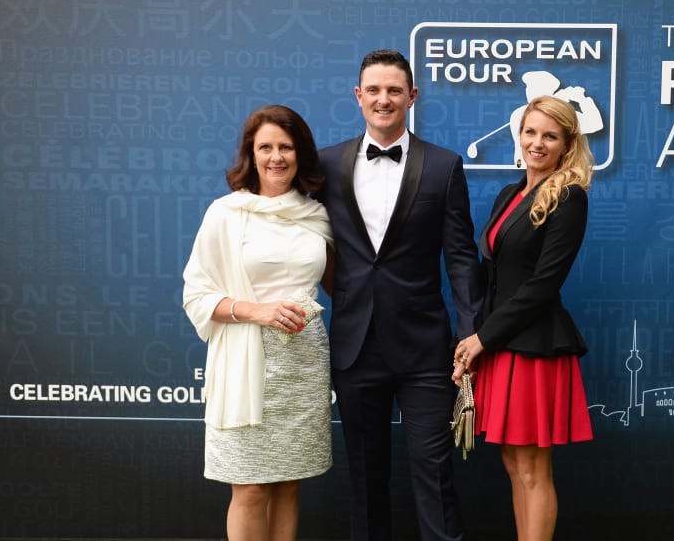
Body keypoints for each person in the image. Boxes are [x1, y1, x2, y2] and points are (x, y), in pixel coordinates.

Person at [315, 49, 483, 541]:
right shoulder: (325, 165)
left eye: (394, 91)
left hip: (425, 351)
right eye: (374, 90)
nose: (383, 100)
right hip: (354, 346)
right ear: (358, 96)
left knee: (434, 475)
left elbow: (460, 257)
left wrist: (469, 332)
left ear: (412, 96)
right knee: (365, 482)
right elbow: (310, 246)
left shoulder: (445, 166)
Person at [182, 104, 333, 541]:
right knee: (249, 488)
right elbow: (195, 293)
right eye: (265, 147)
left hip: (302, 364)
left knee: (288, 484)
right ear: (251, 154)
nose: (276, 157)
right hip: (244, 367)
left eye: (286, 147)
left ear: (300, 154)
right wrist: (257, 311)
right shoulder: (226, 214)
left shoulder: (317, 216)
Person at [452, 95, 595, 541]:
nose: (537, 142)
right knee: (515, 464)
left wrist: (482, 340)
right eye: (531, 132)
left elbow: (543, 285)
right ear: (520, 135)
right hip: (498, 344)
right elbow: (492, 277)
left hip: (534, 347)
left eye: (550, 135)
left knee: (532, 468)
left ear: (567, 144)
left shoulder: (569, 196)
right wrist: (474, 341)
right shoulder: (511, 194)